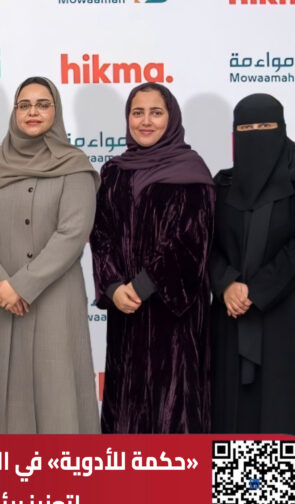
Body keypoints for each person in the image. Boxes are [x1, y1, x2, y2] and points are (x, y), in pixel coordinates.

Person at [0, 77, 99, 434]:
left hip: (53, 297)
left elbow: (72, 233)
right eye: (25, 105)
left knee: (55, 391)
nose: (33, 112)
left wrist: (21, 286)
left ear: (56, 111)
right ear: (15, 112)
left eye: (43, 104)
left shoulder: (74, 166)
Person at [209, 94, 295, 450]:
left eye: (265, 126)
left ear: (282, 129)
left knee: (284, 412)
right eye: (247, 128)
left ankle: (286, 486)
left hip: (288, 318)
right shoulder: (223, 185)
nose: (256, 134)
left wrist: (255, 291)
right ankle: (238, 486)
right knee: (234, 417)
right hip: (232, 315)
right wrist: (226, 284)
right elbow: (207, 245)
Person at [89, 82, 214, 434]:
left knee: (174, 409)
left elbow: (190, 243)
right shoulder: (114, 172)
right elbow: (101, 235)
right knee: (125, 408)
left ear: (171, 118)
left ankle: (177, 472)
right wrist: (113, 286)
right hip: (125, 312)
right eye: (137, 112)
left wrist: (140, 287)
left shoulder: (191, 172)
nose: (145, 121)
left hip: (173, 317)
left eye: (156, 113)